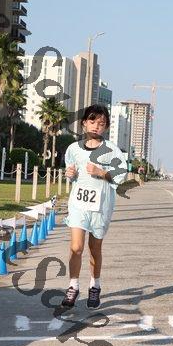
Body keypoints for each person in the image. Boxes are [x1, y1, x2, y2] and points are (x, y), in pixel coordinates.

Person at [62, 104, 127, 309]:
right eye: (92, 121)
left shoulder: (112, 150)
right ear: (84, 123)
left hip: (101, 207)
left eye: (101, 123)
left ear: (106, 127)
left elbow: (121, 177)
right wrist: (70, 175)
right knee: (76, 247)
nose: (96, 126)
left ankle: (94, 285)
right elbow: (71, 173)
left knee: (94, 248)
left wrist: (102, 172)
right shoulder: (73, 149)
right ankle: (73, 286)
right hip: (78, 204)